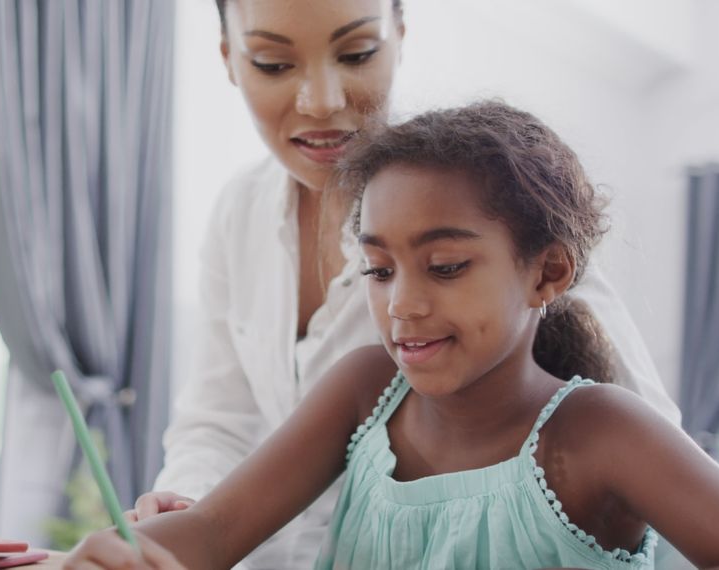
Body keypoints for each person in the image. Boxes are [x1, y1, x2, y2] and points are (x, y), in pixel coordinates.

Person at [63, 101, 719, 569]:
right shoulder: (366, 391)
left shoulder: (596, 432)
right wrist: (121, 554)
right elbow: (215, 530)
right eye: (377, 268)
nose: (403, 304)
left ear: (547, 272)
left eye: (446, 267)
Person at [144, 0, 680, 568]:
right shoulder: (240, 213)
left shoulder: (491, 209)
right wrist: (183, 515)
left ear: (399, 35)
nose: (322, 101)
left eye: (356, 54)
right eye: (274, 64)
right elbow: (216, 421)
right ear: (230, 59)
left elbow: (656, 475)